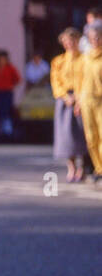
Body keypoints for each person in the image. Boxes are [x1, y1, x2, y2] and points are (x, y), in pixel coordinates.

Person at [51, 29, 89, 183]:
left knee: (83, 135)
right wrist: (65, 96)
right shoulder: (58, 61)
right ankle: (71, 167)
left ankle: (83, 167)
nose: (69, 44)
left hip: (81, 98)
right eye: (66, 41)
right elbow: (55, 81)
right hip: (65, 100)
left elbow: (87, 79)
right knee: (66, 136)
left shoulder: (85, 59)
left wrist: (79, 98)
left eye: (72, 41)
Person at [77, 23, 102, 182]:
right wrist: (78, 102)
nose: (96, 40)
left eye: (99, 37)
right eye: (93, 38)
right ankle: (98, 168)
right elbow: (79, 80)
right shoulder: (85, 58)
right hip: (86, 99)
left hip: (101, 99)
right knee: (91, 137)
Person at [0, 49, 21, 140]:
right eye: (0, 59)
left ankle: (8, 130)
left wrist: (11, 85)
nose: (2, 61)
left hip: (7, 92)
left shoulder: (10, 68)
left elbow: (17, 79)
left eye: (4, 59)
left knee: (7, 110)